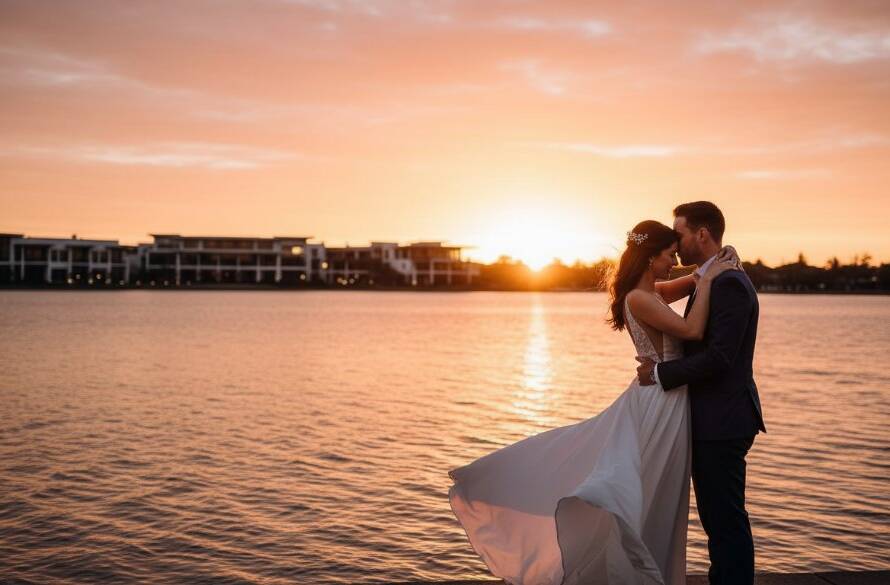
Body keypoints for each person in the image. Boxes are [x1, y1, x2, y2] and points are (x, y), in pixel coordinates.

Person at [448, 218, 741, 584]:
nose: (674, 262)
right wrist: (711, 279)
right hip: (662, 404)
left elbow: (693, 280)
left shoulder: (651, 292)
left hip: (665, 398)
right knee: (653, 491)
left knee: (660, 492)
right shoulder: (641, 298)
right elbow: (693, 330)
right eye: (668, 256)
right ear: (651, 258)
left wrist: (713, 266)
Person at [637, 201, 766, 585]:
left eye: (679, 234)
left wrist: (661, 372)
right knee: (717, 517)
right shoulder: (712, 277)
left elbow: (720, 357)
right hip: (712, 416)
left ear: (702, 234)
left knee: (724, 519)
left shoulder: (728, 282)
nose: (674, 242)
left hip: (723, 419)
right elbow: (655, 294)